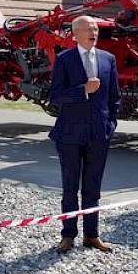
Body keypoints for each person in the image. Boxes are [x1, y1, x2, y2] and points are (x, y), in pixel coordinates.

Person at [48, 15, 120, 254]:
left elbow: (114, 98)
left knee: (93, 188)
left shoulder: (108, 59)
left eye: (96, 29)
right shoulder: (64, 59)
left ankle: (92, 235)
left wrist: (110, 125)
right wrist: (83, 91)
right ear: (75, 34)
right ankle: (68, 236)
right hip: (69, 135)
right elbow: (55, 97)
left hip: (99, 135)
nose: (94, 32)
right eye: (89, 29)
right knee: (70, 188)